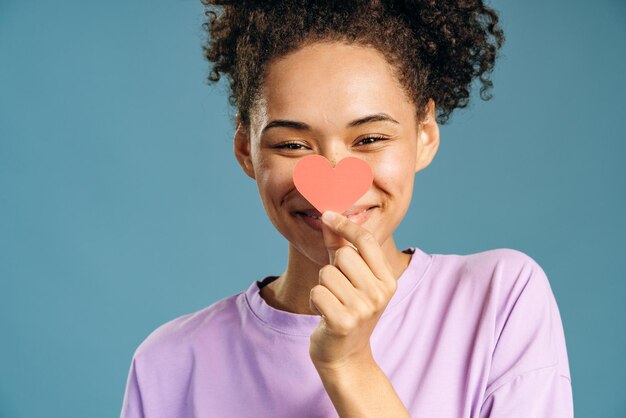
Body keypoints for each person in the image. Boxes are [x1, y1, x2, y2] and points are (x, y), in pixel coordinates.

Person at [120, 1, 574, 417]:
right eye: (292, 144)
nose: (331, 180)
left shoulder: (501, 300)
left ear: (425, 134)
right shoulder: (169, 363)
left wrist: (350, 365)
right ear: (246, 150)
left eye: (370, 139)